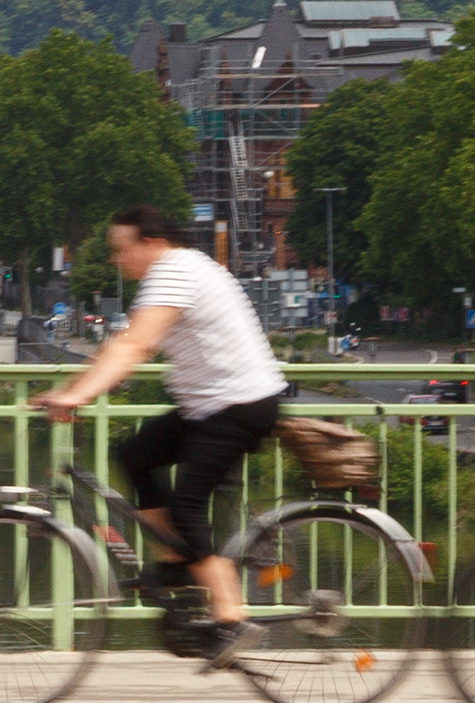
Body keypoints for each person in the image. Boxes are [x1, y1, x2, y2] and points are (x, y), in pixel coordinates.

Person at [30, 205, 290, 669]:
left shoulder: (176, 271)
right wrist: (75, 391)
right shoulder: (178, 271)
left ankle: (232, 617)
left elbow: (134, 345)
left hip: (239, 405)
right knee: (135, 453)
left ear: (150, 244)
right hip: (211, 405)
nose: (115, 259)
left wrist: (77, 397)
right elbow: (122, 342)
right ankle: (177, 561)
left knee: (188, 505)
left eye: (120, 249)